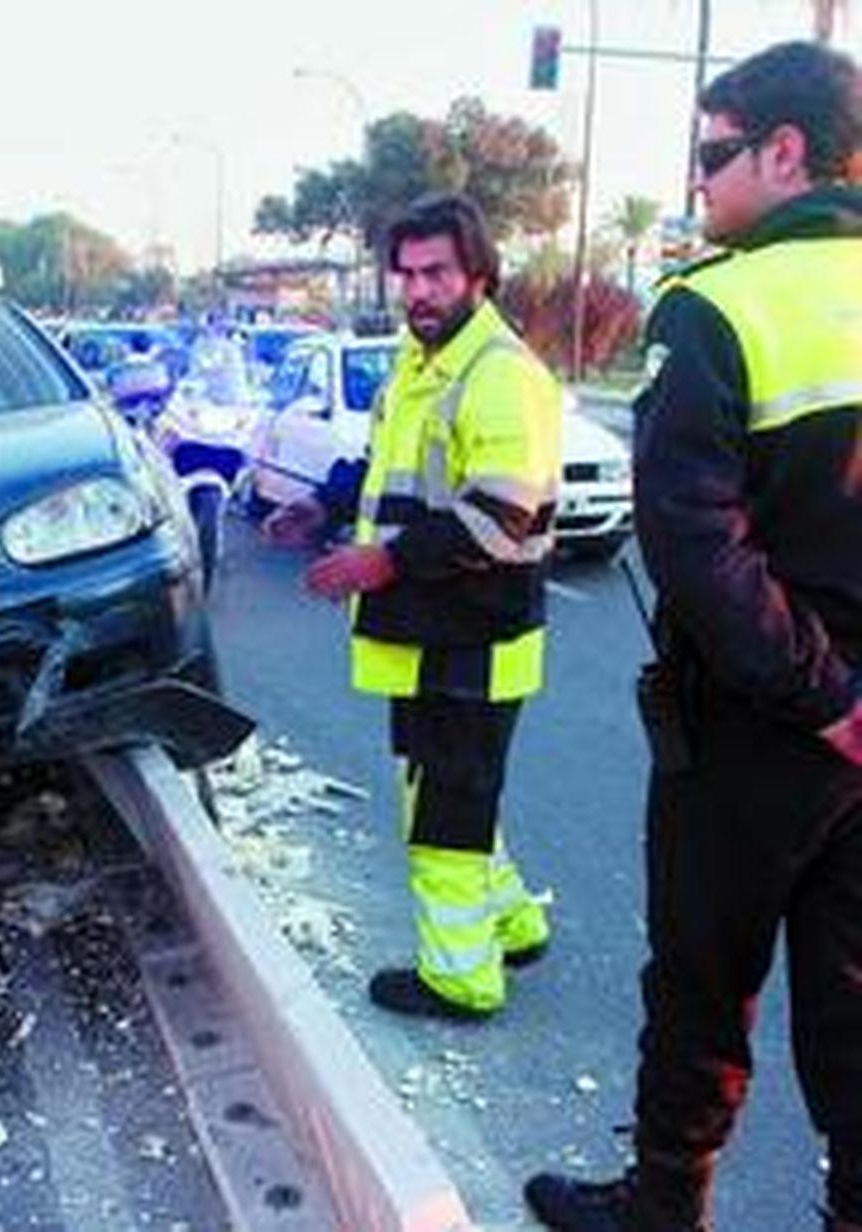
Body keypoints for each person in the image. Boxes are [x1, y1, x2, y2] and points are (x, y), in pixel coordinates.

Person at [525, 40, 862, 1232]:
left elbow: (690, 541)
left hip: (763, 728)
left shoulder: (714, 303)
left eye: (712, 155)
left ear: (786, 151)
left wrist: (824, 697)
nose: (696, 184)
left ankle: (664, 1204)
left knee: (702, 980)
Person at [263, 192, 562, 1021]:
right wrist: (323, 508)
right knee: (451, 791)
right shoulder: (419, 360)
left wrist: (381, 561)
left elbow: (505, 517)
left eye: (437, 273)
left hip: (473, 639)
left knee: (443, 816)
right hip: (430, 636)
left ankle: (462, 979)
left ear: (478, 274)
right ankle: (513, 923)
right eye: (407, 274)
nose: (418, 290)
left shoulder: (499, 374)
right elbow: (387, 466)